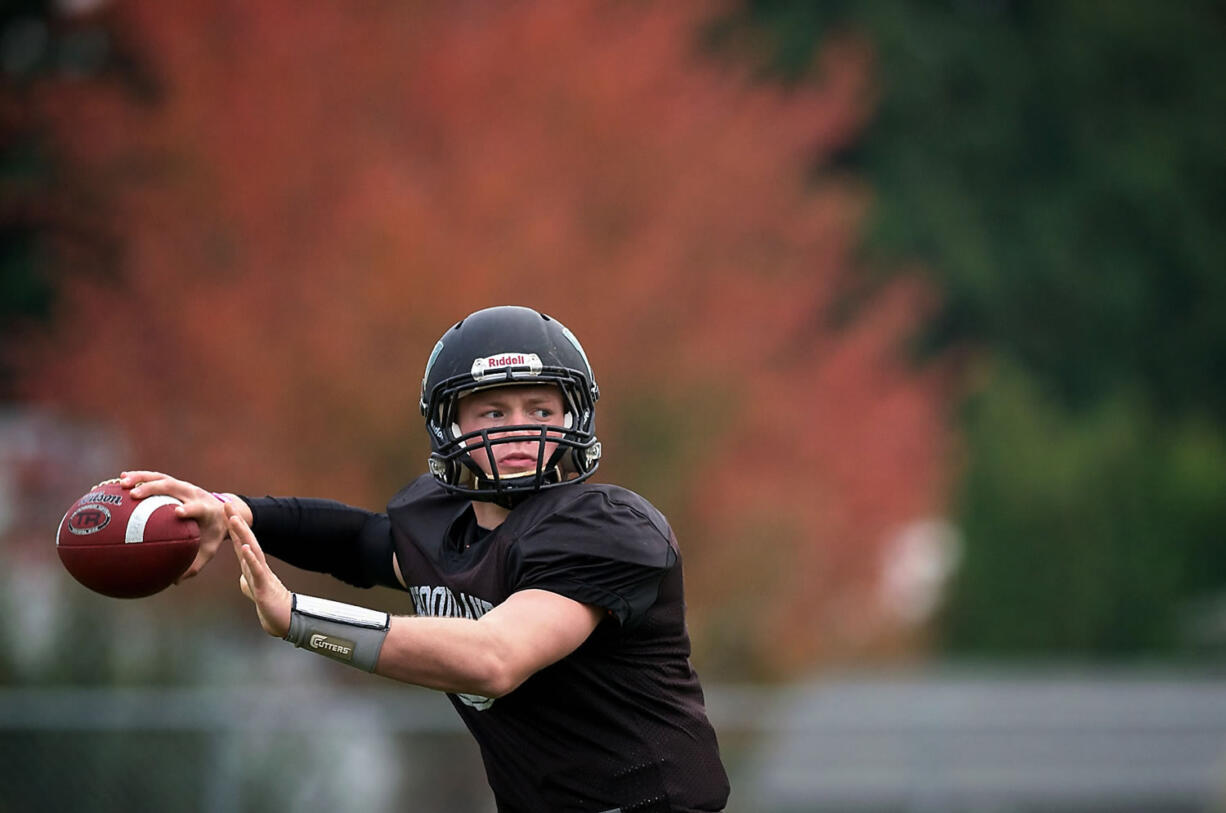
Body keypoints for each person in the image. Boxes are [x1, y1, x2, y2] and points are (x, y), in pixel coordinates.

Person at [121, 305, 730, 812]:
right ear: (450, 425)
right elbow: (358, 541)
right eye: (493, 411)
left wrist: (300, 619)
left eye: (540, 410)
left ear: (574, 417)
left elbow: (495, 659)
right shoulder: (438, 522)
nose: (519, 429)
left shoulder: (607, 529)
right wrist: (235, 511)